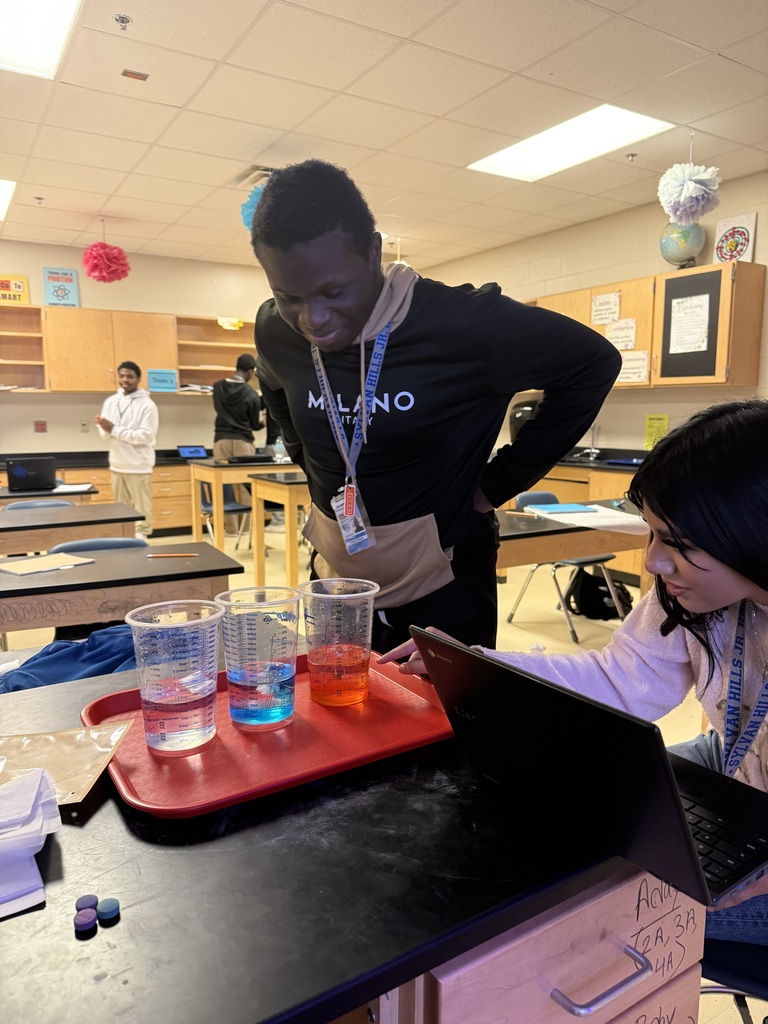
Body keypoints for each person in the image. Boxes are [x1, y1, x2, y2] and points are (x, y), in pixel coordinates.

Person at [380, 398, 768, 945]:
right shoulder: (692, 591)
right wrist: (482, 667)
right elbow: (623, 680)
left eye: (680, 545)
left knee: (579, 909)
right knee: (565, 815)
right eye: (653, 533)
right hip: (736, 767)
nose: (654, 563)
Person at [250, 158, 621, 652]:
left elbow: (593, 364)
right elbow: (272, 384)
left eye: (334, 292)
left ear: (374, 252)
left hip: (444, 585)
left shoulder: (467, 325)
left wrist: (499, 482)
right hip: (339, 583)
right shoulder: (276, 329)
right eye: (288, 296)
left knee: (440, 726)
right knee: (342, 717)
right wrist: (309, 461)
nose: (313, 317)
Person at [94, 360, 158, 538]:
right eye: (122, 376)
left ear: (138, 379)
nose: (125, 380)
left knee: (141, 508)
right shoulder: (111, 401)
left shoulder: (147, 405)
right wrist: (104, 428)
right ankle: (124, 538)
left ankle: (142, 538)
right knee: (121, 509)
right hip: (117, 464)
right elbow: (104, 434)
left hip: (138, 465)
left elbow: (145, 436)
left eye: (130, 376)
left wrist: (114, 429)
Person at [212, 353, 264, 535]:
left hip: (221, 440)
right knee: (247, 486)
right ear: (251, 371)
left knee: (223, 487)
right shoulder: (251, 394)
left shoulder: (217, 388)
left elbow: (218, 409)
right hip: (243, 441)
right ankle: (246, 529)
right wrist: (263, 422)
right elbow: (255, 425)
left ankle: (230, 529)